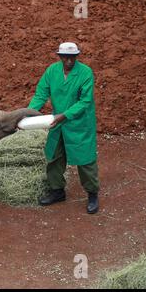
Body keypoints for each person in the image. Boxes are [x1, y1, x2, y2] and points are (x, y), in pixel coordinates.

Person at [28, 42, 100, 214]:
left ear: (77, 56)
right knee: (54, 156)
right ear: (59, 56)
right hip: (57, 123)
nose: (69, 61)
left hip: (79, 123)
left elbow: (85, 101)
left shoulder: (85, 73)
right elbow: (41, 94)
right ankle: (57, 190)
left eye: (72, 57)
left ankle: (92, 193)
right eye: (65, 57)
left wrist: (64, 115)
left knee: (85, 161)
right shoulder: (52, 71)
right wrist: (29, 112)